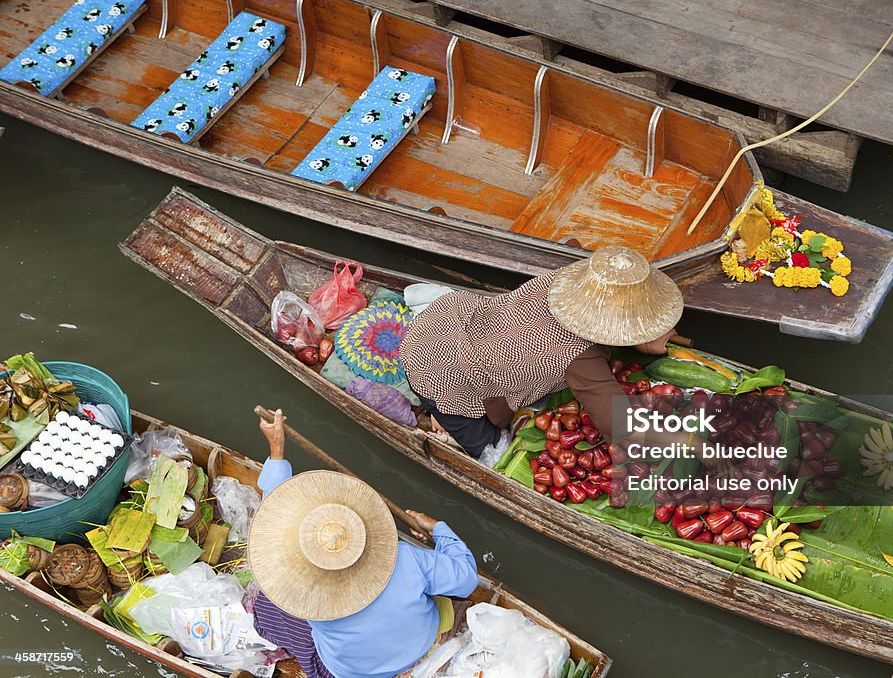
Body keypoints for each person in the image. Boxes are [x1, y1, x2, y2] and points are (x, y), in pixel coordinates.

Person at [248, 409, 479, 678]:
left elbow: (272, 515)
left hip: (358, 672)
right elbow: (466, 578)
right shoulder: (403, 557)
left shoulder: (300, 591)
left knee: (264, 609)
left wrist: (277, 449)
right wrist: (439, 528)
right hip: (422, 641)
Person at [399, 246, 684, 458]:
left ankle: (441, 409)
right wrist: (694, 445)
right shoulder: (580, 358)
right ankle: (440, 409)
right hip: (437, 367)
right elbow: (623, 428)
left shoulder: (572, 278)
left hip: (450, 319)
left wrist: (645, 337)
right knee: (493, 451)